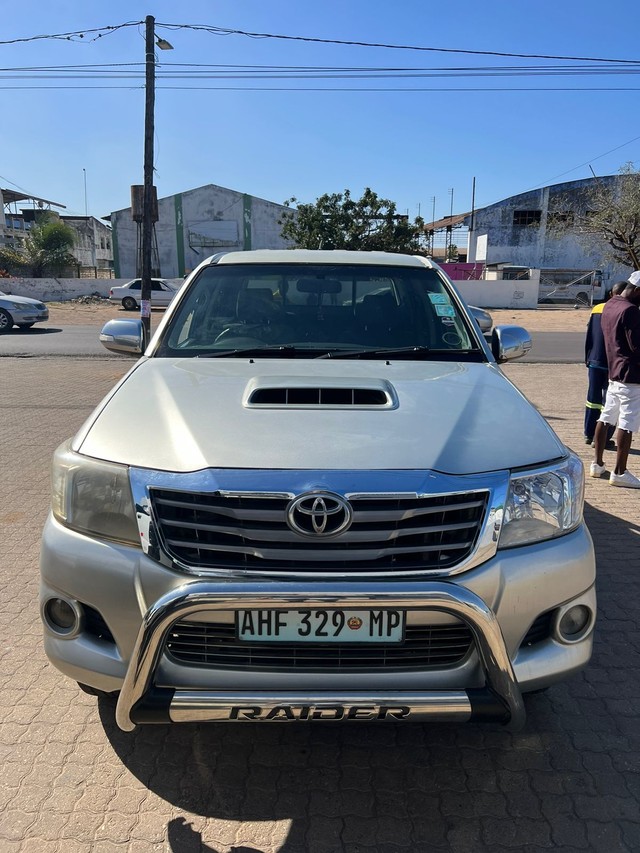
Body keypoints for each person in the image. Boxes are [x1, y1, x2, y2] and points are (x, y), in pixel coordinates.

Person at [590, 271, 640, 487]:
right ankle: (620, 472)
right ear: (637, 290)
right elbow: (637, 346)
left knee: (606, 417)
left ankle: (597, 463)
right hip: (631, 374)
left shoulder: (610, 304)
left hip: (614, 371)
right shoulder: (631, 310)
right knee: (627, 423)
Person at [583, 281, 627, 445]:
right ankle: (603, 438)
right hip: (614, 363)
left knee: (592, 399)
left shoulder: (597, 309)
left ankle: (589, 433)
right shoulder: (626, 310)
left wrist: (588, 357)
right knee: (611, 401)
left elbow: (590, 335)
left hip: (594, 360)